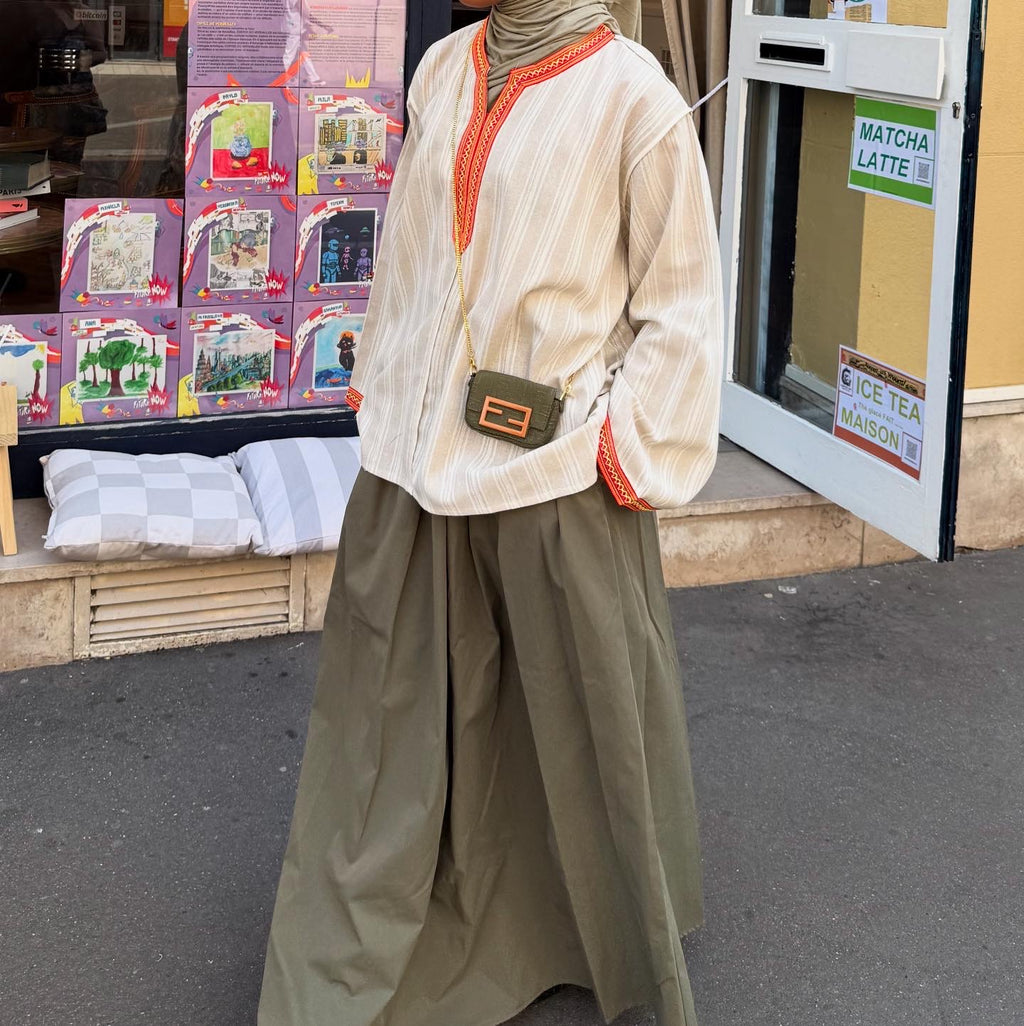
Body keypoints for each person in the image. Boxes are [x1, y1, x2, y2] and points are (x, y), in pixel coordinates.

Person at [258, 0, 723, 1023]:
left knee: (572, 719)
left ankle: (577, 921)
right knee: (387, 726)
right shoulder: (443, 67)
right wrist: (386, 377)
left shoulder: (633, 98)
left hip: (554, 476)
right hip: (412, 465)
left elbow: (683, 306)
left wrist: (619, 447)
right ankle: (368, 945)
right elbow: (413, 253)